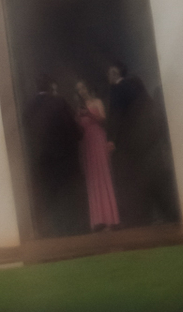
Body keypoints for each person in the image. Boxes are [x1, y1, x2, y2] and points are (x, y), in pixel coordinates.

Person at [107, 62, 180, 226]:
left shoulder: (117, 90)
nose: (108, 76)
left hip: (133, 143)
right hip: (150, 139)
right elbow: (150, 107)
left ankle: (147, 217)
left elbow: (116, 116)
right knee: (158, 176)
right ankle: (170, 214)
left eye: (110, 72)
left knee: (140, 180)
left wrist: (112, 139)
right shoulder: (138, 86)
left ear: (116, 73)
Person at [21, 79, 83, 236]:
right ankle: (70, 230)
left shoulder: (29, 107)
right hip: (63, 157)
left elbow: (27, 134)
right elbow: (72, 128)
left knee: (49, 195)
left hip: (42, 160)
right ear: (49, 87)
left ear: (36, 87)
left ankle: (55, 230)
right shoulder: (59, 102)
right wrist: (78, 136)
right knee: (67, 194)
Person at [75, 80, 119, 230]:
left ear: (87, 87)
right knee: (92, 180)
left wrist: (89, 114)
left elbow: (104, 120)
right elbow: (78, 127)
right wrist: (79, 117)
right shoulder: (79, 107)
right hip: (86, 142)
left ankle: (110, 219)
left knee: (103, 175)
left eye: (82, 87)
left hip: (98, 139)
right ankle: (98, 221)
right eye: (78, 89)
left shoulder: (97, 102)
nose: (81, 91)